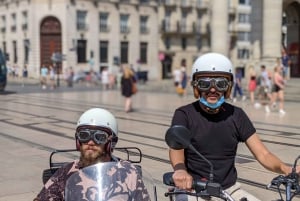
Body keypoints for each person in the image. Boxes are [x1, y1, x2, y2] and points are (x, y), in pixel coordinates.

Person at [168, 53, 300, 201]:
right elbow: (176, 149)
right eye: (205, 83)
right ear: (196, 86)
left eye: (221, 84)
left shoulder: (236, 115)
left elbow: (263, 154)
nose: (213, 90)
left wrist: (287, 169)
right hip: (193, 189)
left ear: (228, 87)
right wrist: (180, 171)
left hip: (229, 189)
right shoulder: (184, 114)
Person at [33, 108, 150, 201]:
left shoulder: (127, 171)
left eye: (99, 137)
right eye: (84, 136)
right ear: (78, 141)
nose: (90, 142)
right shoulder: (66, 172)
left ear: (111, 142)